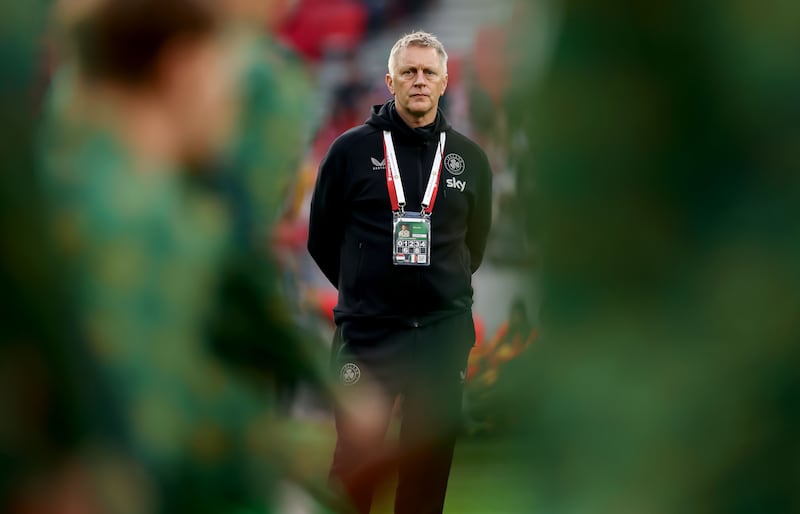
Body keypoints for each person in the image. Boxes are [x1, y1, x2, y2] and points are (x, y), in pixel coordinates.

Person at [307, 30, 493, 514]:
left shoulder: (469, 159)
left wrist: (434, 291)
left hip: (439, 335)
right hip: (368, 337)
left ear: (445, 81)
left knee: (427, 471)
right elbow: (320, 239)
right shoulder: (348, 152)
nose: (419, 80)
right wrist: (367, 293)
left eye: (429, 72)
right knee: (353, 466)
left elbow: (473, 247)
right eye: (408, 72)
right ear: (389, 80)